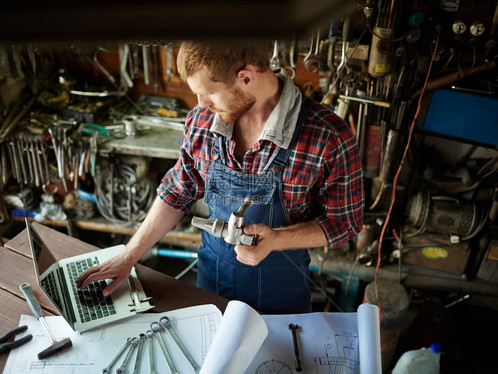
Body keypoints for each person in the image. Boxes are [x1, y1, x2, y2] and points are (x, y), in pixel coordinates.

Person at [76, 41, 364, 314]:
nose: (200, 103)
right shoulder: (202, 120)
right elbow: (178, 191)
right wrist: (129, 257)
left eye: (209, 93)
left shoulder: (329, 136)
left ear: (246, 78)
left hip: (281, 294)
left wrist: (276, 239)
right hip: (211, 282)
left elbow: (344, 223)